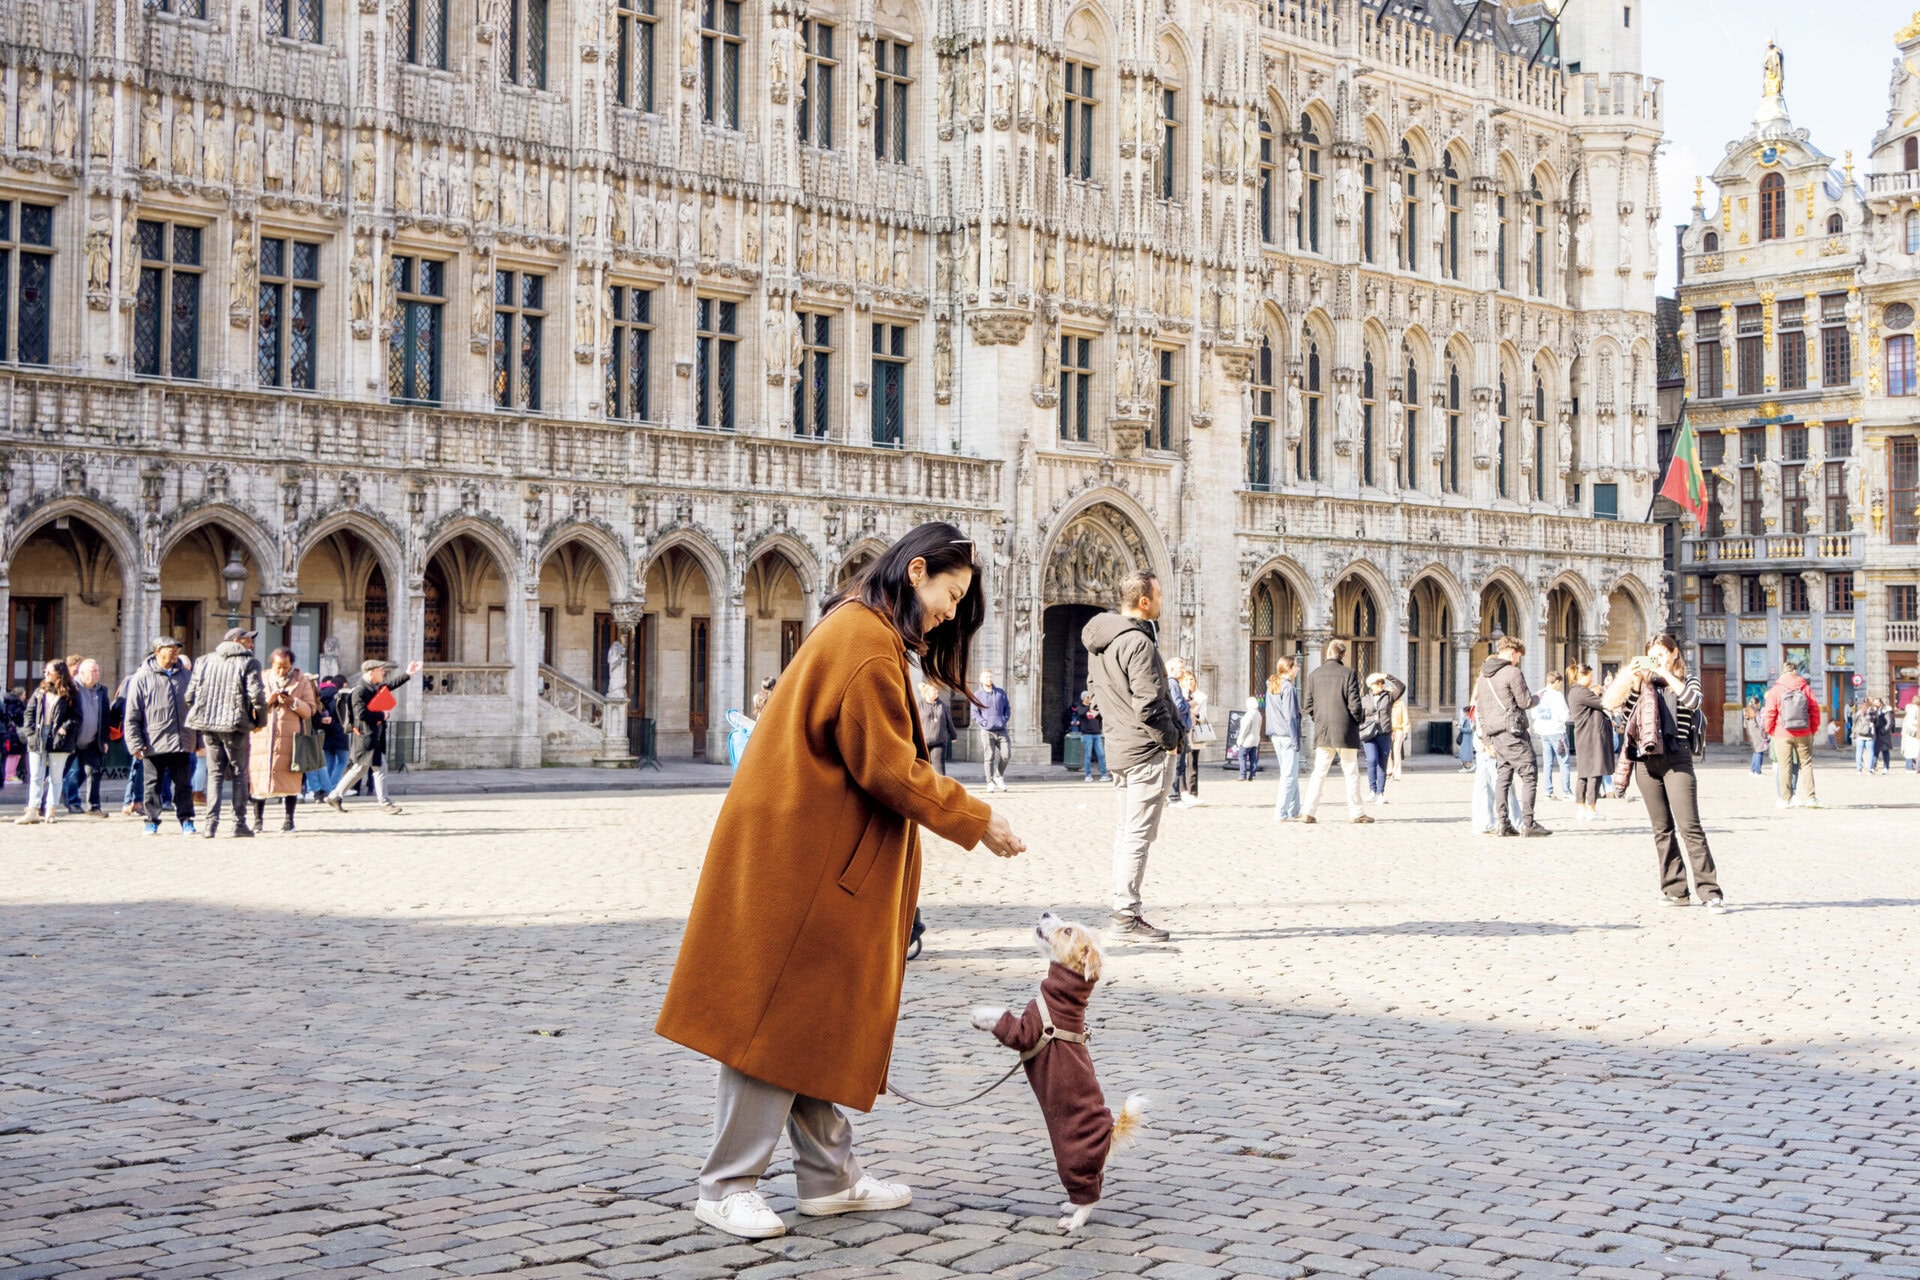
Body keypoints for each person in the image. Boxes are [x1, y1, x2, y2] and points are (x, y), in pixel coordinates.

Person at [654, 522, 1025, 1241]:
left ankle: (829, 1177)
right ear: (916, 572)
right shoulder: (862, 640)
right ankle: (726, 1184)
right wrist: (976, 820)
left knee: (811, 1016)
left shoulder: (865, 630)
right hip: (803, 857)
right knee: (774, 1019)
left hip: (813, 851)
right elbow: (887, 768)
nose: (951, 612)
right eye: (949, 595)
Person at [1084, 569, 1184, 941]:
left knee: (1127, 833)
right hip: (1145, 751)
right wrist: (1171, 738)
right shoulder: (1138, 644)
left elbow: (1093, 692)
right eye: (1158, 595)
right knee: (1138, 835)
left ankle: (1123, 907)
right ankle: (1126, 914)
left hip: (1120, 748)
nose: (1161, 601)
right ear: (1144, 602)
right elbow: (1150, 704)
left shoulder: (1101, 642)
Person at [1604, 634, 1725, 912]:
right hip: (1646, 762)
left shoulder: (1687, 679)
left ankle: (1710, 892)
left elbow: (1693, 701)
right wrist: (1631, 678)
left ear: (1673, 654)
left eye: (1661, 654)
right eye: (1651, 654)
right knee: (1662, 829)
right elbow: (1619, 710)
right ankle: (1675, 889)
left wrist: (1665, 675)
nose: (1657, 659)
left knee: (1690, 827)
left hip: (1677, 759)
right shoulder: (1642, 683)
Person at [185, 627, 267, 837]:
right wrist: (260, 721)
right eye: (249, 641)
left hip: (208, 724)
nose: (252, 645)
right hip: (235, 724)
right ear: (238, 641)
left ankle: (210, 825)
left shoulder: (204, 660)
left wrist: (203, 712)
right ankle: (238, 823)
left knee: (215, 774)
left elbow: (189, 694)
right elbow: (257, 695)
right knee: (239, 773)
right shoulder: (248, 662)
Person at [324, 658, 425, 814]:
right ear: (371, 673)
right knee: (379, 768)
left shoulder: (372, 686)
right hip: (366, 737)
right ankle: (385, 803)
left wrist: (408, 673)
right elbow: (361, 714)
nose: (383, 673)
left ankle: (334, 796)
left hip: (371, 736)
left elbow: (390, 685)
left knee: (359, 769)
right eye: (380, 671)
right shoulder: (360, 690)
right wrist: (382, 715)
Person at [1473, 635, 1550, 837]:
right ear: (1512, 652)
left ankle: (1503, 823)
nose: (1518, 660)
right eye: (1518, 656)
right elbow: (1524, 702)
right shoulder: (1512, 672)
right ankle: (1528, 823)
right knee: (1529, 774)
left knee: (1503, 778)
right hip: (1513, 732)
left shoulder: (1483, 677)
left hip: (1495, 734)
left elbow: (1479, 709)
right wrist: (1537, 698)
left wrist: (1487, 739)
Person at [123, 638, 199, 835]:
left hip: (182, 740)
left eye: (177, 650)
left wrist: (198, 739)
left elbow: (196, 709)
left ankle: (186, 819)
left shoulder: (187, 676)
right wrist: (135, 744)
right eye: (171, 650)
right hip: (153, 741)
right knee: (152, 784)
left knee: (184, 784)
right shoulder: (142, 678)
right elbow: (132, 714)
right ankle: (151, 820)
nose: (175, 653)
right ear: (158, 651)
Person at [1299, 638, 1369, 825]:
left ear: (1327, 652)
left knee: (1319, 772)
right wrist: (1358, 719)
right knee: (1351, 772)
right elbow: (1355, 704)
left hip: (1323, 730)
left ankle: (1308, 811)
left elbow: (1308, 706)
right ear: (1343, 655)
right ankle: (1356, 812)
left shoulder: (1314, 674)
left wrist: (1320, 719)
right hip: (1345, 730)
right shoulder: (1348, 673)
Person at [248, 647, 318, 834]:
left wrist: (293, 701)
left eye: (285, 667)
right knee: (259, 779)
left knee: (290, 780)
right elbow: (251, 708)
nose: (281, 671)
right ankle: (257, 820)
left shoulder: (301, 681)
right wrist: (268, 701)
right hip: (262, 737)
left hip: (290, 738)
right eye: (278, 667)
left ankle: (289, 820)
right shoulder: (261, 678)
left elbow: (311, 710)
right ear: (272, 664)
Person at [16, 659, 80, 824]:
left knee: (56, 776)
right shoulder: (40, 691)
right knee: (36, 775)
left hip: (59, 737)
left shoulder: (71, 692)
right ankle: (33, 809)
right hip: (38, 734)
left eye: (49, 671)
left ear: (59, 673)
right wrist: (30, 733)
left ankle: (51, 809)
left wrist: (64, 728)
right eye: (45, 671)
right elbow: (29, 713)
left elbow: (77, 716)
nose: (45, 674)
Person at [1761, 660, 1822, 808]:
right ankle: (1811, 798)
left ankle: (1785, 799)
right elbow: (1815, 710)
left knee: (1784, 766)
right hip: (1804, 731)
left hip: (1782, 732)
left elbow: (1770, 713)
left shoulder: (1776, 690)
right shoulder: (1805, 687)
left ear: (1783, 672)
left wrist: (1771, 730)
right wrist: (1812, 729)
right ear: (1795, 671)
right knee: (1806, 764)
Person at [1566, 664, 1615, 823]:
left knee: (1584, 773)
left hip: (1585, 736)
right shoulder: (1581, 692)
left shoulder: (1576, 692)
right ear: (1581, 676)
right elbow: (1605, 703)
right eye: (1590, 676)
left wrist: (1603, 687)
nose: (1592, 679)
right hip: (1592, 736)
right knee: (1595, 771)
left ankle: (1581, 807)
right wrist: (1608, 688)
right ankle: (1591, 807)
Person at [62, 657, 111, 817]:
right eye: (93, 671)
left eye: (97, 671)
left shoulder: (101, 691)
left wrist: (104, 739)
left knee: (93, 772)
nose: (97, 674)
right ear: (82, 673)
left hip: (92, 740)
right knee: (67, 772)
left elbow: (105, 717)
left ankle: (94, 806)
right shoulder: (72, 688)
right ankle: (59, 802)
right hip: (72, 739)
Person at [1358, 671, 1405, 804]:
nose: (1381, 685)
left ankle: (1380, 792)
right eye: (1378, 682)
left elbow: (1401, 687)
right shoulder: (1364, 699)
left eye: (1382, 682)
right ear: (1371, 685)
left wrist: (1387, 676)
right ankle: (1372, 790)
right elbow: (1359, 716)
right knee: (1372, 760)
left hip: (1384, 733)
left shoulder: (1388, 696)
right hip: (1369, 734)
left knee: (1382, 763)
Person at [1266, 661, 1302, 820]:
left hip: (1275, 734)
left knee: (1291, 773)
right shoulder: (1288, 687)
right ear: (1289, 668)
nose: (1298, 669)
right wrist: (1295, 738)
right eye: (1296, 666)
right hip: (1287, 734)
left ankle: (1294, 810)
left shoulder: (1272, 684)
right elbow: (1291, 715)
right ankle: (1280, 812)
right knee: (1288, 775)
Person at [307, 675, 350, 801]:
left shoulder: (320, 696)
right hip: (336, 732)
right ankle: (330, 788)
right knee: (341, 761)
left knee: (325, 763)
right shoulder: (336, 696)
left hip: (324, 733)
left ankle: (321, 789)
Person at [1532, 672, 1572, 801]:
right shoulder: (1557, 695)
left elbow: (1533, 714)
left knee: (1547, 762)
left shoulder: (1539, 694)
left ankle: (1548, 792)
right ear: (1556, 682)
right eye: (1559, 683)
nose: (1560, 686)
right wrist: (1562, 720)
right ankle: (1566, 791)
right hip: (1557, 731)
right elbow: (1564, 714)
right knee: (1564, 762)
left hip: (1543, 731)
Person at [1164, 658, 1193, 805]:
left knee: (1178, 763)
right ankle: (1173, 796)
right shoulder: (1173, 683)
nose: (1183, 670)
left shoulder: (1170, 682)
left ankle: (1175, 795)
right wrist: (1189, 704)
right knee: (1178, 764)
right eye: (1180, 668)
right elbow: (1178, 706)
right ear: (1171, 669)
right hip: (1178, 727)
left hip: (1177, 726)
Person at [1177, 668, 1208, 805]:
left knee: (1192, 763)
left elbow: (1204, 716)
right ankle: (1181, 791)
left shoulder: (1201, 696)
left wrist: (1197, 714)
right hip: (1182, 731)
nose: (1189, 682)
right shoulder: (1179, 694)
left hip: (1194, 732)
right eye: (1186, 679)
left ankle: (1193, 792)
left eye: (1191, 679)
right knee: (1180, 763)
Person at [976, 669, 1011, 792]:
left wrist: (1004, 720)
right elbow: (975, 712)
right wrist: (983, 722)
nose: (989, 679)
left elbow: (1007, 708)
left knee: (1006, 755)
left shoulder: (1001, 693)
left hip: (1001, 729)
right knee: (989, 757)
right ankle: (989, 781)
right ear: (981, 680)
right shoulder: (977, 695)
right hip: (987, 731)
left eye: (990, 677)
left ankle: (998, 776)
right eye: (986, 677)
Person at [919, 681, 955, 775]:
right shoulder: (920, 705)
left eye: (937, 691)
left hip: (939, 740)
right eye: (934, 691)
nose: (937, 692)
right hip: (923, 742)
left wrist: (953, 735)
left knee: (939, 768)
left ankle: (941, 788)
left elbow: (949, 721)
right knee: (922, 768)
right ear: (927, 693)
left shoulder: (942, 705)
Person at [1078, 691, 1109, 782]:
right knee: (1088, 755)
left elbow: (1100, 717)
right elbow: (1081, 713)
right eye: (1088, 697)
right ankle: (1088, 775)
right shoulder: (1081, 707)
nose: (1090, 699)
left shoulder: (1095, 708)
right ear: (1084, 698)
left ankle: (1104, 775)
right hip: (1087, 734)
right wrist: (1089, 706)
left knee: (1101, 755)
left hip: (1097, 734)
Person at [1235, 694, 1264, 780]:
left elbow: (1244, 729)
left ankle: (1242, 775)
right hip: (1255, 739)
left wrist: (1240, 740)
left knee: (1242, 756)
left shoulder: (1249, 714)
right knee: (1253, 758)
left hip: (1247, 739)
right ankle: (1253, 774)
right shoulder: (1258, 713)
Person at [0, 685, 24, 788]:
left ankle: (8, 775)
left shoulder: (6, 703)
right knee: (10, 754)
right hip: (8, 732)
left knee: (13, 754)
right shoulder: (14, 704)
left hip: (7, 731)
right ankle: (8, 776)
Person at [1742, 697, 1768, 775]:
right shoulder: (1755, 712)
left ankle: (1752, 770)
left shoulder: (1746, 710)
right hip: (1757, 734)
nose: (1760, 705)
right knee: (1759, 751)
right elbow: (1760, 725)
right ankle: (1757, 771)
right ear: (1756, 703)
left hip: (1751, 733)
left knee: (1755, 751)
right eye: (1759, 703)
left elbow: (1745, 725)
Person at [1388, 691, 1410, 781]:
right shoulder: (1386, 703)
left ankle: (1397, 773)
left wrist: (1406, 730)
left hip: (1398, 729)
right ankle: (1389, 771)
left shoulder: (1400, 703)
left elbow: (1405, 717)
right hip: (1388, 730)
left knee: (1397, 751)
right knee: (1387, 751)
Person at [1872, 697, 1895, 774]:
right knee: (1875, 751)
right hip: (1877, 734)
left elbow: (1889, 722)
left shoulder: (1886, 710)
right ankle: (1873, 767)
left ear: (1880, 702)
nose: (1876, 704)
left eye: (1877, 702)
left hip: (1884, 735)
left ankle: (1886, 767)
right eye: (1875, 703)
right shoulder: (1875, 710)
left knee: (1885, 751)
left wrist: (1883, 730)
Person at [1455, 704, 1477, 771]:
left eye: (1464, 712)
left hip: (1467, 739)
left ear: (1467, 712)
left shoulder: (1469, 720)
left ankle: (1471, 765)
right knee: (1463, 754)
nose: (1463, 713)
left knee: (1466, 754)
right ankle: (1465, 767)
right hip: (1465, 739)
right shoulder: (1466, 719)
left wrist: (1459, 727)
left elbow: (1469, 730)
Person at [1903, 696, 1920, 772]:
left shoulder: (1912, 709)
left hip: (1909, 732)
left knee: (1911, 750)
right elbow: (1911, 721)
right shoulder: (1915, 709)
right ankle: (1910, 767)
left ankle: (1910, 767)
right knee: (1914, 750)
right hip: (1913, 732)